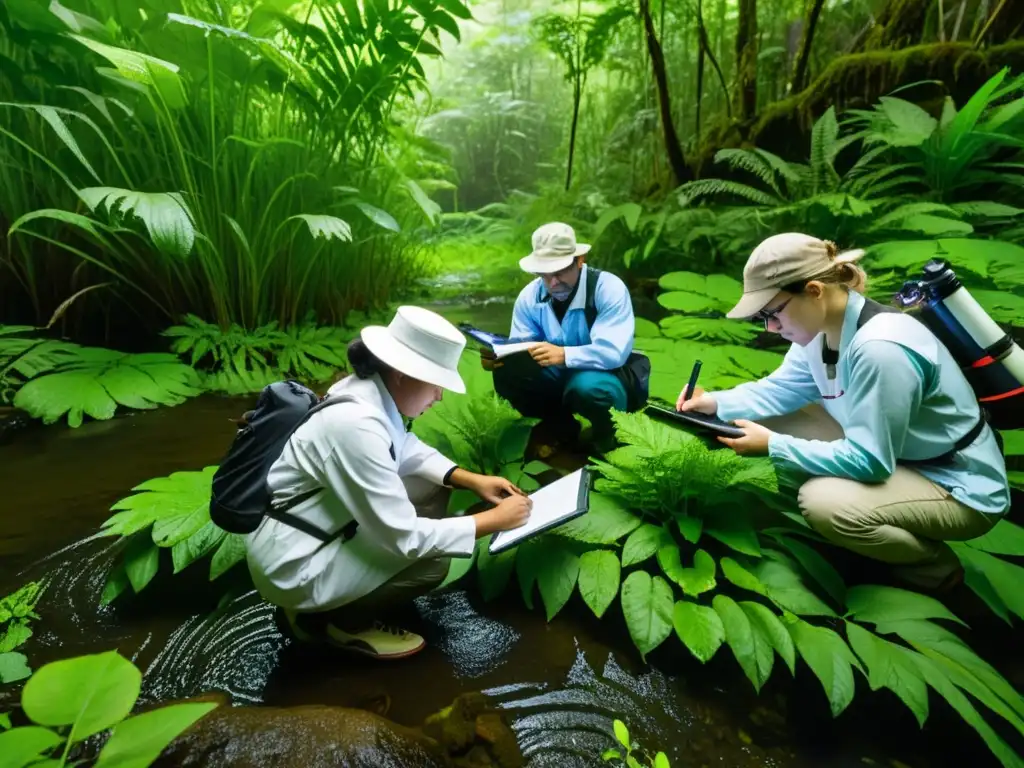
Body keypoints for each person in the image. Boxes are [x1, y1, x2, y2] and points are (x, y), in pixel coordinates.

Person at [677, 232, 1010, 592]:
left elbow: (871, 461)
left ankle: (933, 568)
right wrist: (714, 404)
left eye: (772, 313)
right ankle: (845, 533)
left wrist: (773, 445)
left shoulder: (881, 350)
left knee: (823, 503)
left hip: (957, 483)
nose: (770, 328)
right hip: (900, 452)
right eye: (762, 317)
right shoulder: (819, 329)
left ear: (815, 291)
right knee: (749, 424)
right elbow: (781, 390)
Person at [246, 306, 533, 660]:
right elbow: (405, 539)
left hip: (305, 533)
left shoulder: (361, 392)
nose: (439, 396)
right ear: (402, 373)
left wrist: (471, 480)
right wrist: (494, 521)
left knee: (430, 488)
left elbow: (402, 446)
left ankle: (337, 599)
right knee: (433, 562)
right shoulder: (355, 425)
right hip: (294, 564)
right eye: (436, 384)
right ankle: (333, 622)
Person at [482, 222, 649, 455]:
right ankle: (559, 428)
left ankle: (608, 440)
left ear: (579, 260)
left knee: (588, 388)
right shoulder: (529, 297)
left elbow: (613, 352)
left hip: (605, 376)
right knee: (509, 372)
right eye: (544, 275)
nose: (552, 283)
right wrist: (499, 358)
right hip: (556, 375)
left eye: (559, 272)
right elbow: (521, 348)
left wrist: (564, 354)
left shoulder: (607, 288)